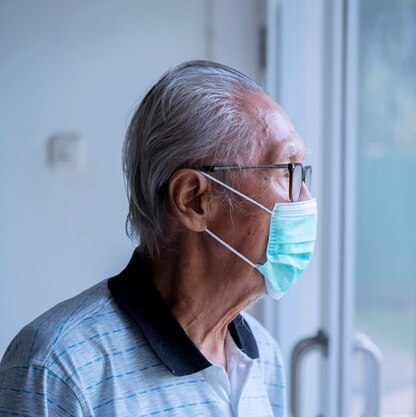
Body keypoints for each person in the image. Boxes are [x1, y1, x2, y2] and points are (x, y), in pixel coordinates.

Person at [0, 61, 317, 416]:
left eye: (302, 173)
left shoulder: (262, 354)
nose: (304, 198)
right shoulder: (57, 369)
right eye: (286, 171)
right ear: (194, 200)